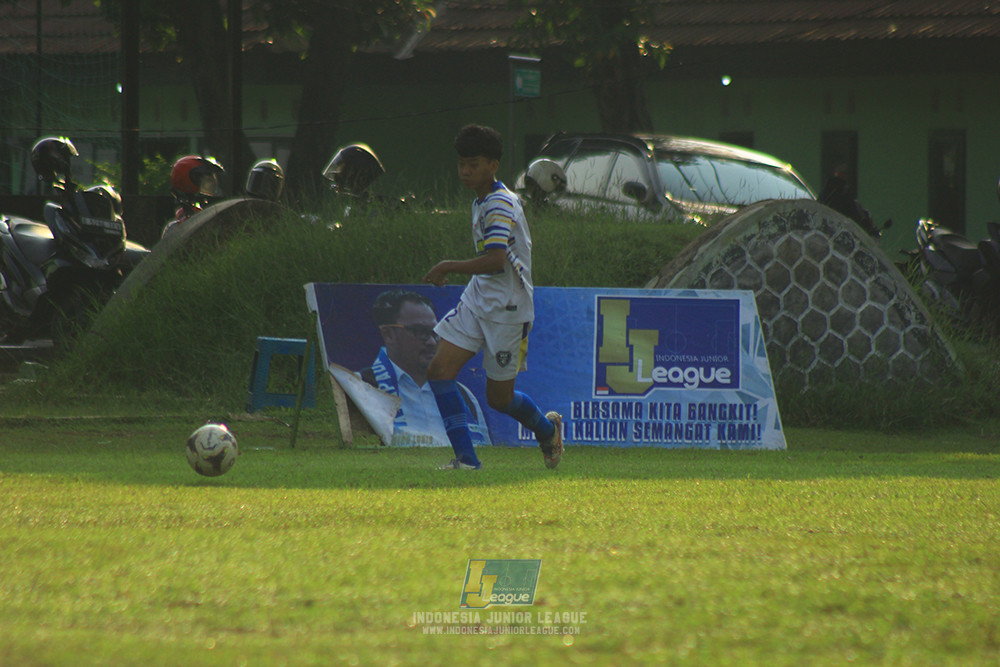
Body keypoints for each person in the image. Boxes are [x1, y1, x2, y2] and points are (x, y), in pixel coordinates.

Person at [422, 124, 563, 470]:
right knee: (439, 371)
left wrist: (447, 265)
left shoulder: (500, 203)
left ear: (493, 166)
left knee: (498, 399)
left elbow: (496, 260)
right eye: (462, 165)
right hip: (478, 300)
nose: (466, 172)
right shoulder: (483, 200)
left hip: (508, 310)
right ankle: (467, 460)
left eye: (474, 164)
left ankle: (547, 431)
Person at [359, 289, 490, 448]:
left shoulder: (463, 395)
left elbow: (485, 453)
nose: (432, 342)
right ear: (388, 334)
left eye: (435, 333)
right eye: (420, 332)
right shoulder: (361, 386)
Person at [161, 155, 224, 238]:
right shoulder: (177, 227)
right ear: (189, 181)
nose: (213, 183)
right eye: (208, 180)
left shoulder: (215, 214)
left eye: (213, 178)